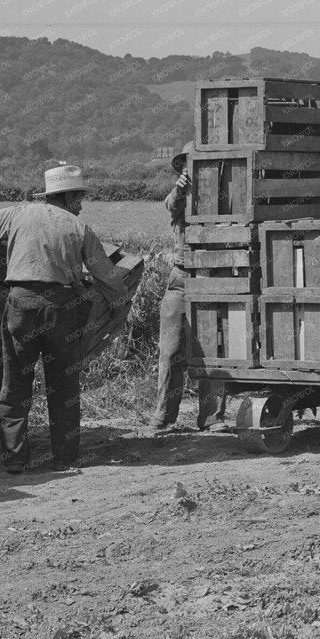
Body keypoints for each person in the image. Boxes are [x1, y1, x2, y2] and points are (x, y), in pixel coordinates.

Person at [0, 164, 128, 474]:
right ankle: (65, 458)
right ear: (67, 197)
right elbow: (106, 276)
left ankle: (15, 459)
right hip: (61, 309)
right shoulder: (78, 228)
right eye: (79, 198)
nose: (80, 205)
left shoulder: (17, 214)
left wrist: (10, 241)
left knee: (14, 384)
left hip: (20, 306)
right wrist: (119, 306)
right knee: (64, 384)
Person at [147, 141, 194, 433]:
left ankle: (212, 417)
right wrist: (181, 188)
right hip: (181, 278)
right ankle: (164, 414)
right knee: (171, 349)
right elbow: (171, 204)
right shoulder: (180, 198)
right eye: (189, 164)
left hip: (216, 278)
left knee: (216, 350)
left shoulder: (226, 196)